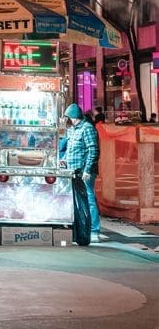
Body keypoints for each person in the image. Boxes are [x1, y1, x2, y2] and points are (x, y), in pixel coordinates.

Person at [61, 103, 103, 242]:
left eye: (67, 117)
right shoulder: (72, 130)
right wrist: (64, 161)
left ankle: (94, 230)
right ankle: (80, 230)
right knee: (77, 200)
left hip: (84, 171)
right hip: (72, 171)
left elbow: (93, 150)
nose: (67, 120)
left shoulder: (87, 128)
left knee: (89, 199)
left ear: (72, 117)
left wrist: (87, 170)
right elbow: (69, 149)